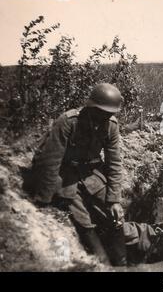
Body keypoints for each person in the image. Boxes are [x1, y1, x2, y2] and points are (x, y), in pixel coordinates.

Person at [31, 83, 127, 266]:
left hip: (89, 173)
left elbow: (114, 163)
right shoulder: (68, 121)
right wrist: (43, 199)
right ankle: (102, 264)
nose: (107, 117)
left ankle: (122, 264)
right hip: (64, 173)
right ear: (91, 108)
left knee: (115, 216)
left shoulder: (111, 126)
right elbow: (51, 161)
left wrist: (114, 200)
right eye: (103, 112)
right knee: (83, 219)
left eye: (110, 113)